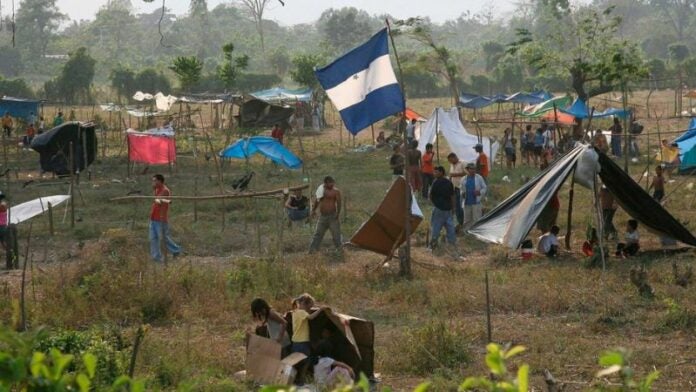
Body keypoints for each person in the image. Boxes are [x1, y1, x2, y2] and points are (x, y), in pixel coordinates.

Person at [149, 174, 182, 262]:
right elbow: (155, 200)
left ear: (160, 181)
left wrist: (155, 197)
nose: (153, 182)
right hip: (153, 218)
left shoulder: (165, 190)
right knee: (153, 238)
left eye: (155, 181)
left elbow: (158, 200)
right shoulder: (157, 190)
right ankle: (156, 257)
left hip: (161, 219)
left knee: (163, 238)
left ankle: (176, 250)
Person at [309, 176, 342, 253]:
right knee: (318, 234)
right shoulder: (321, 190)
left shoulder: (336, 191)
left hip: (332, 216)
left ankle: (340, 250)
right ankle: (312, 250)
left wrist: (338, 213)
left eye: (332, 182)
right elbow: (317, 201)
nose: (332, 184)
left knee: (336, 235)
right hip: (323, 217)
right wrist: (313, 210)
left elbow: (339, 202)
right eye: (330, 183)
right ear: (326, 183)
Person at [429, 166, 456, 248]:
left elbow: (430, 195)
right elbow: (452, 196)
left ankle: (433, 245)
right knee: (450, 227)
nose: (434, 174)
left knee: (436, 227)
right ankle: (451, 244)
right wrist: (453, 208)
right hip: (448, 209)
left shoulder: (435, 182)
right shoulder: (449, 182)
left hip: (439, 209)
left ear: (441, 172)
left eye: (436, 172)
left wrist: (434, 204)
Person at [460, 162, 487, 230]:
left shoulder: (479, 178)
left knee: (476, 219)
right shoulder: (463, 179)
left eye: (474, 169)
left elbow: (484, 188)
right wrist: (462, 193)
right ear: (467, 169)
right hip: (467, 202)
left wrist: (479, 192)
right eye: (471, 169)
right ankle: (466, 233)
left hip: (476, 202)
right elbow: (461, 189)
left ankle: (476, 233)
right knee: (467, 220)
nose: (473, 170)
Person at [447, 153, 466, 229]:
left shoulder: (463, 163)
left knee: (462, 206)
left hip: (461, 188)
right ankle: (460, 222)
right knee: (456, 207)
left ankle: (465, 222)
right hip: (454, 188)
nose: (451, 162)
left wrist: (455, 175)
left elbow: (466, 173)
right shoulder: (452, 165)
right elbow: (451, 175)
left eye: (451, 160)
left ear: (454, 157)